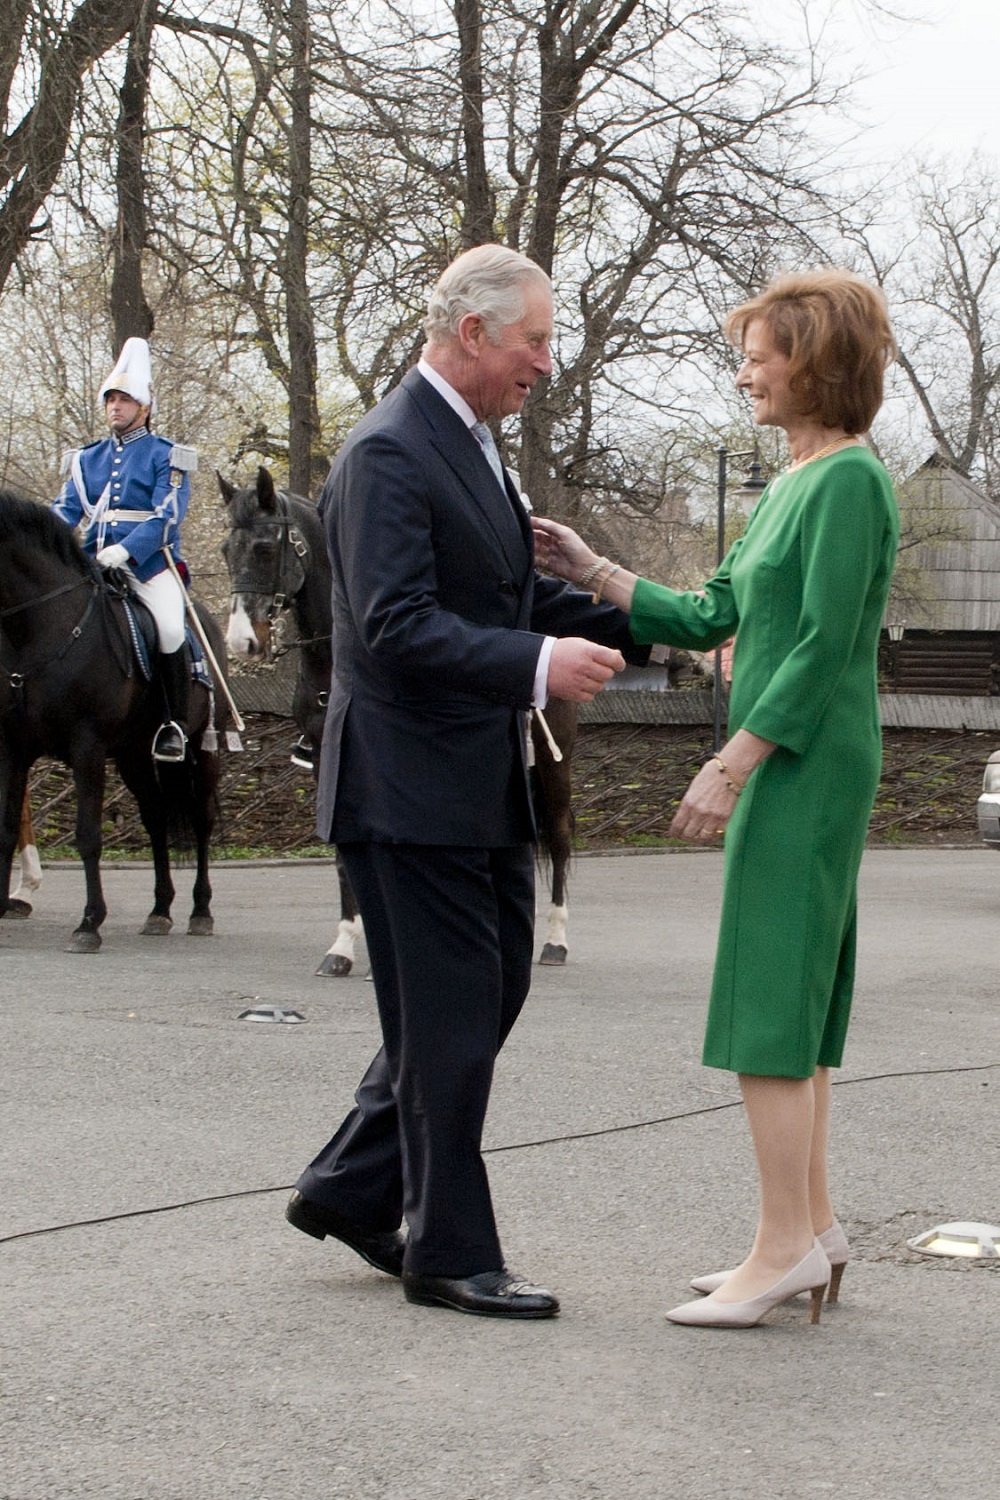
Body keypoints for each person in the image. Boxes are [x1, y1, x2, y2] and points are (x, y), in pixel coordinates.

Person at [286, 244, 648, 1319]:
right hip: (404, 790)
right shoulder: (390, 451)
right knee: (447, 1019)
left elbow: (507, 599)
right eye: (536, 340)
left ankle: (350, 1186)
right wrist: (535, 667)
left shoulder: (473, 445)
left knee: (489, 993)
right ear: (475, 333)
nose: (546, 361)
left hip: (472, 784)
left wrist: (663, 620)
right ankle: (446, 1250)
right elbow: (394, 628)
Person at [532, 269, 899, 1330]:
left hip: (806, 758)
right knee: (793, 1003)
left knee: (768, 1004)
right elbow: (713, 613)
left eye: (760, 353)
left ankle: (781, 1248)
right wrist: (596, 569)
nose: (744, 370)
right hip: (796, 753)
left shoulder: (850, 483)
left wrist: (730, 761)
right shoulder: (792, 482)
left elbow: (827, 648)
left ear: (816, 360)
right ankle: (810, 1231)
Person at [53, 337, 196, 763]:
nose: (115, 406)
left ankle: (172, 724)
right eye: (110, 399)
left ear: (145, 406)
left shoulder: (167, 456)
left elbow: (167, 516)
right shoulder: (85, 460)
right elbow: (64, 513)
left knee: (171, 628)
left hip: (149, 565)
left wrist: (127, 552)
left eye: (125, 399)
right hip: (91, 559)